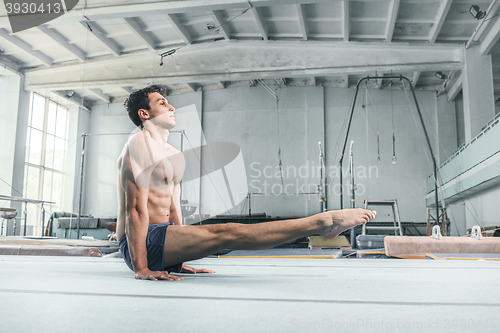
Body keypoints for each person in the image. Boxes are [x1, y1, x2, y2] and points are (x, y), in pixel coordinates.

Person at [117, 85, 376, 281]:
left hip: (164, 240)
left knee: (226, 238)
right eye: (162, 103)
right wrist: (141, 268)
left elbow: (174, 210)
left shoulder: (174, 154)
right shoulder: (139, 143)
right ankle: (322, 223)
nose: (172, 107)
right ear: (145, 113)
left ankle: (321, 226)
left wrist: (179, 259)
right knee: (226, 232)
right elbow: (136, 209)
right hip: (138, 243)